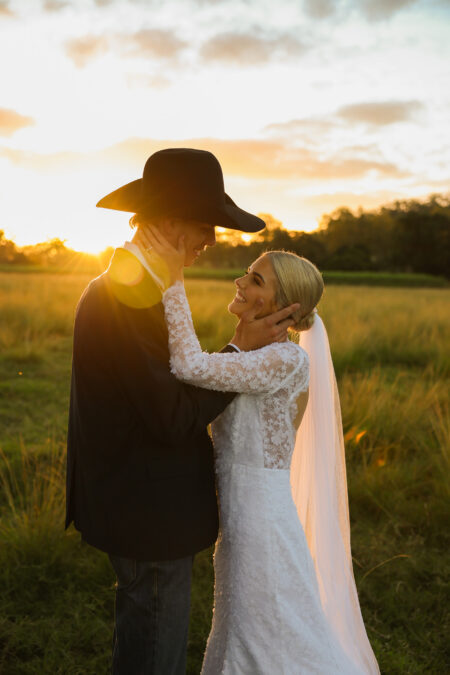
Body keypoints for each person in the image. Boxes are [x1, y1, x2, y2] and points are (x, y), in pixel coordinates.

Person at [65, 148, 299, 675]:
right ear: (169, 224)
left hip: (142, 504)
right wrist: (240, 354)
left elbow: (175, 380)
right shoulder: (131, 295)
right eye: (204, 225)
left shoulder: (147, 285)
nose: (212, 241)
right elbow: (172, 415)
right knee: (153, 658)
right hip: (148, 514)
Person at [137, 223, 381, 674]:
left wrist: (173, 281)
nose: (240, 282)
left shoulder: (285, 360)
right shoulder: (255, 358)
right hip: (239, 514)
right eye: (247, 274)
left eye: (255, 279)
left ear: (284, 305)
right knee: (249, 626)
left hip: (259, 520)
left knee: (265, 630)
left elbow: (188, 364)